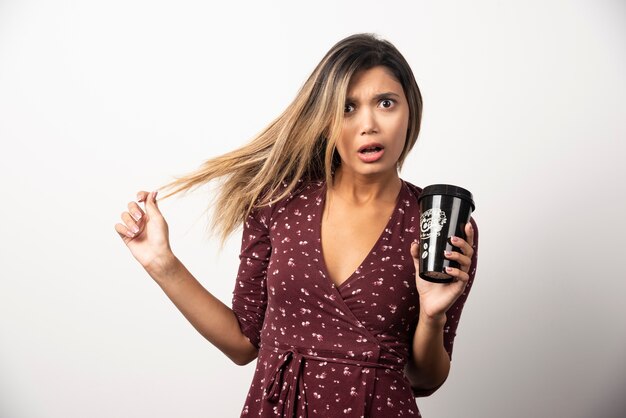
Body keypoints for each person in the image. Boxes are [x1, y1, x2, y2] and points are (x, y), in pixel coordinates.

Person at [115, 33, 478, 417]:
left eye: (385, 103)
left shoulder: (436, 222)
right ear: (324, 120)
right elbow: (243, 343)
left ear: (410, 111)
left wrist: (433, 314)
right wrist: (162, 263)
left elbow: (425, 379)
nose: (368, 125)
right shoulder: (278, 203)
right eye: (347, 108)